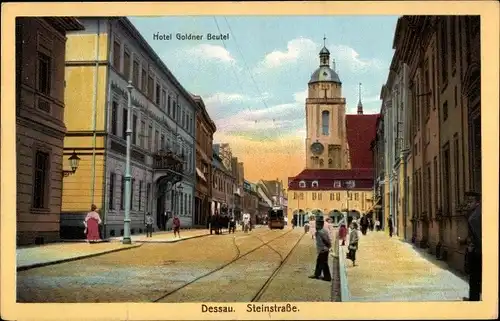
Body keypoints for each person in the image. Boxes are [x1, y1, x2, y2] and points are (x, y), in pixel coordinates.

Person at [462, 191, 482, 301]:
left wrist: (473, 249)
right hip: (477, 250)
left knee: (474, 277)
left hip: (476, 252)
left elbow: (478, 237)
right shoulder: (475, 213)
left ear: (477, 203)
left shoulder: (474, 217)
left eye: (471, 201)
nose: (468, 204)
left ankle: (474, 299)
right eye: (467, 201)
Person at [309, 216, 332, 281]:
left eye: (317, 224)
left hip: (323, 250)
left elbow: (327, 241)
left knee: (324, 263)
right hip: (323, 249)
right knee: (319, 262)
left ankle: (327, 277)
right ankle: (317, 274)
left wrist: (327, 247)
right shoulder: (323, 231)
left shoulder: (320, 232)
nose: (316, 226)